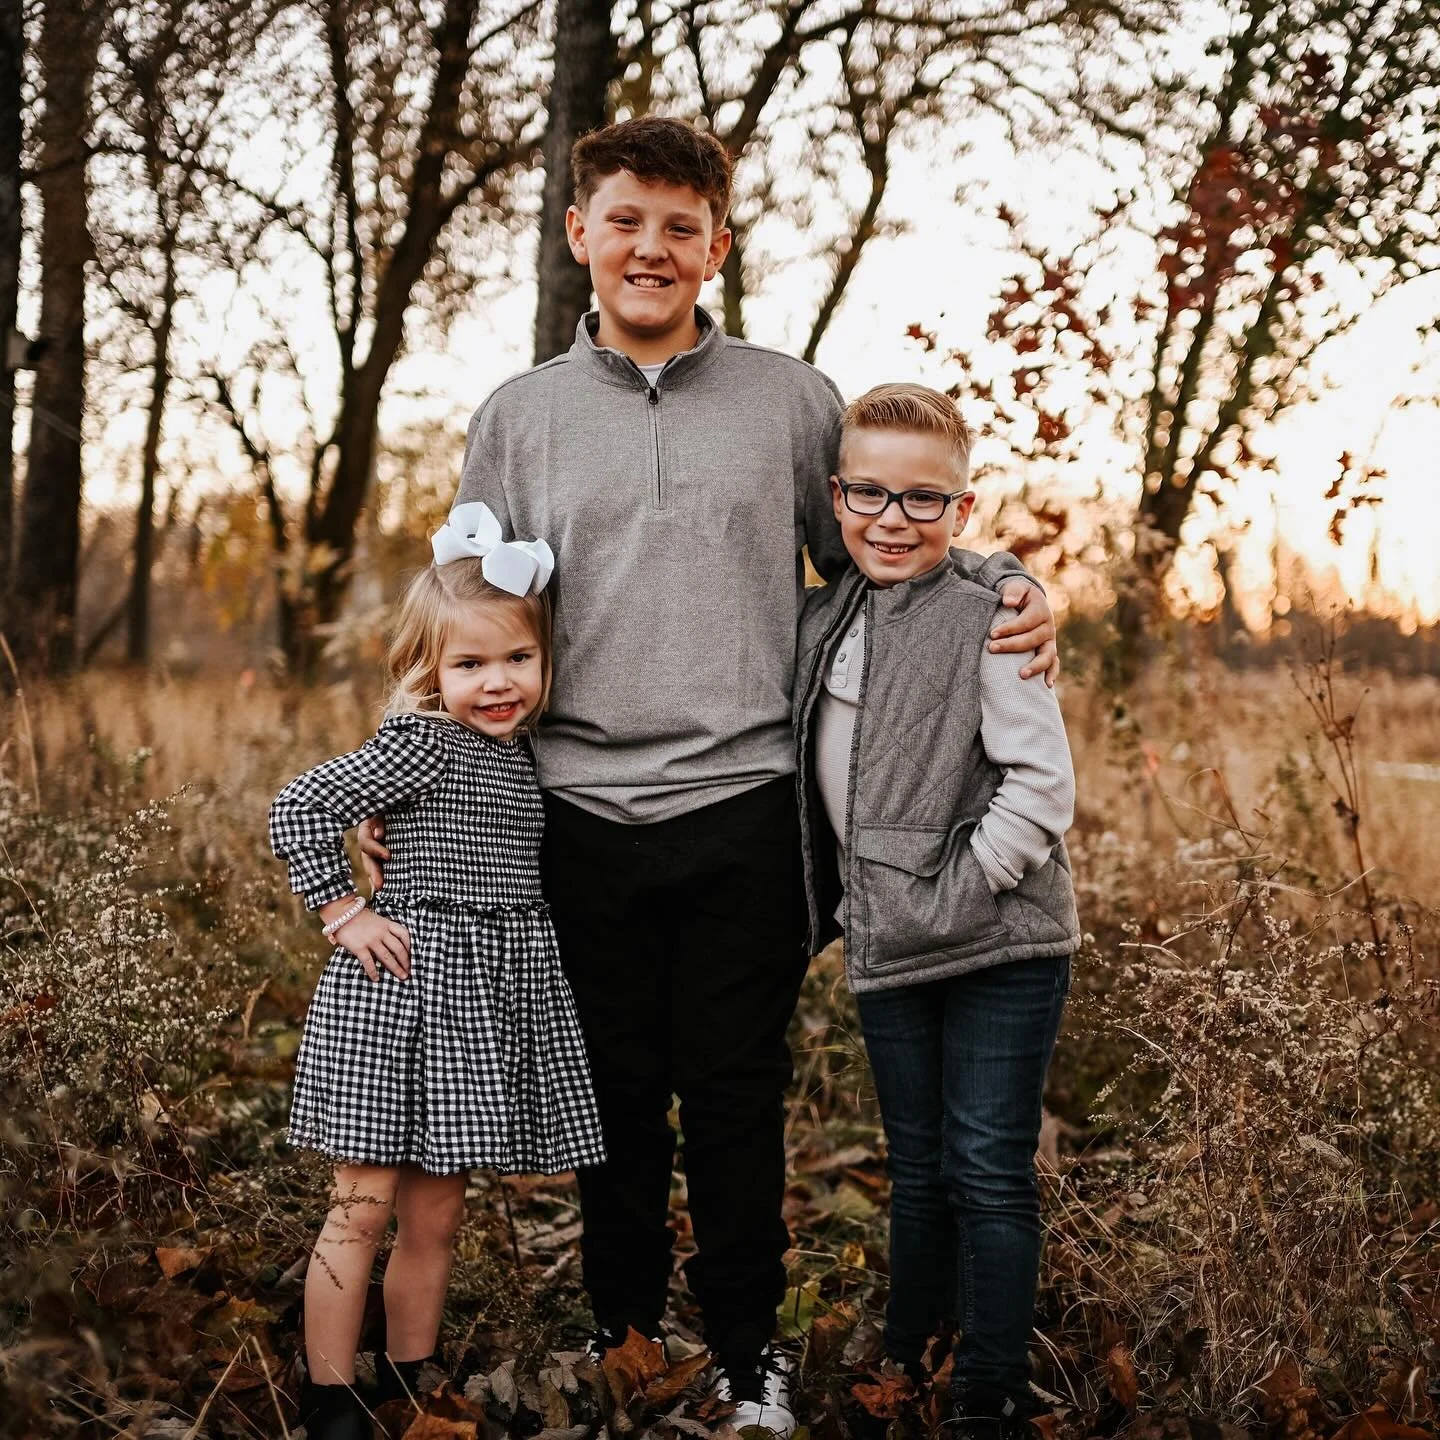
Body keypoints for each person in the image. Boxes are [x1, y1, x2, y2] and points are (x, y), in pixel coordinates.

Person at [361, 116, 1057, 1437]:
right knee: (610, 1093)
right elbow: (468, 624)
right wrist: (413, 786)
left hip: (749, 809)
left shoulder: (792, 401)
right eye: (624, 221)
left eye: (681, 227)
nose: (651, 248)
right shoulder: (519, 417)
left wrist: (1015, 582)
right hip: (571, 815)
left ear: (717, 247)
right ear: (580, 236)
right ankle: (623, 1340)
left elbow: (881, 557)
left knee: (737, 1098)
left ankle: (746, 1357)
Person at [269, 510, 604, 1440]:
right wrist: (345, 910)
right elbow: (299, 805)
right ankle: (331, 1395)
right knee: (361, 1211)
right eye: (468, 666)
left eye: (516, 662)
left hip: (478, 1008)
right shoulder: (423, 741)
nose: (496, 683)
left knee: (436, 1220)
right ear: (429, 672)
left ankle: (413, 1381)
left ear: (543, 663)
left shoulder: (525, 754)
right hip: (401, 994)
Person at [794, 384, 1079, 1439]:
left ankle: (988, 1392)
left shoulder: (989, 616)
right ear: (836, 496)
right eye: (868, 492)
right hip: (890, 942)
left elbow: (1041, 785)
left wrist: (960, 894)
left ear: (964, 511)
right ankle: (908, 1357)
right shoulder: (825, 619)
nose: (892, 518)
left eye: (925, 500)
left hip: (1000, 942)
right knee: (916, 1168)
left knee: (988, 1168)